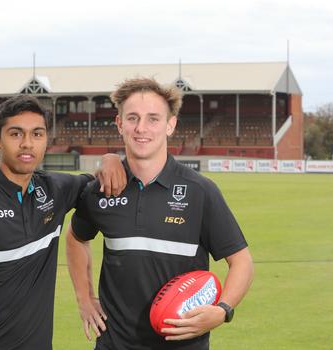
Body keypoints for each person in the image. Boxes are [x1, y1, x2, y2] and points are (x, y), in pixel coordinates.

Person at [0, 95, 126, 350]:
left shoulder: (56, 190)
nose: (27, 144)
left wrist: (110, 158)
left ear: (46, 140)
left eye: (37, 134)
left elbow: (98, 182)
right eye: (16, 134)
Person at [66, 78, 254, 350]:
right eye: (132, 118)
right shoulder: (101, 189)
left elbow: (242, 262)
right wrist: (84, 298)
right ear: (119, 124)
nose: (141, 128)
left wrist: (223, 309)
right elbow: (76, 238)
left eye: (153, 119)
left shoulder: (200, 191)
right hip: (114, 344)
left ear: (170, 124)